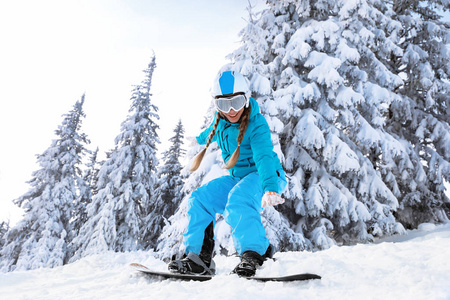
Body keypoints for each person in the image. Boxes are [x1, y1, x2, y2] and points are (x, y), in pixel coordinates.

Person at [168, 70, 287, 277]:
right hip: (238, 178)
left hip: (265, 175)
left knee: (239, 199)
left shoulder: (257, 124)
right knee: (200, 198)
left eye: (237, 102)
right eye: (224, 104)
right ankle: (198, 259)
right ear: (217, 106)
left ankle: (256, 255)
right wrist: (197, 139)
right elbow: (210, 133)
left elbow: (264, 157)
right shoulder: (220, 123)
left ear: (247, 99)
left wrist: (270, 188)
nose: (231, 110)